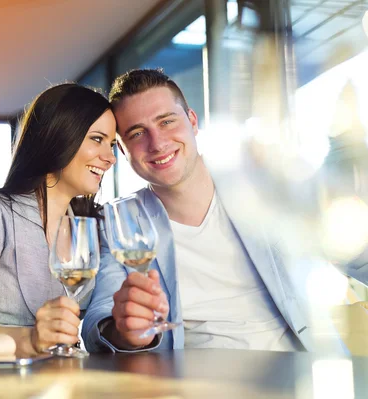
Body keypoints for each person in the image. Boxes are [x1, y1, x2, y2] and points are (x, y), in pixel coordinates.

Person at [82, 69, 368, 353]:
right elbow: (99, 321)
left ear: (192, 121)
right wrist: (125, 331)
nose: (157, 143)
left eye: (167, 122)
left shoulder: (263, 188)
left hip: (300, 372)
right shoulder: (119, 220)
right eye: (137, 133)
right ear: (121, 148)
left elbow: (351, 248)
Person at [0, 83, 117, 357]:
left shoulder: (89, 227)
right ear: (60, 135)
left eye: (113, 144)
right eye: (97, 139)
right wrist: (31, 339)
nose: (110, 158)